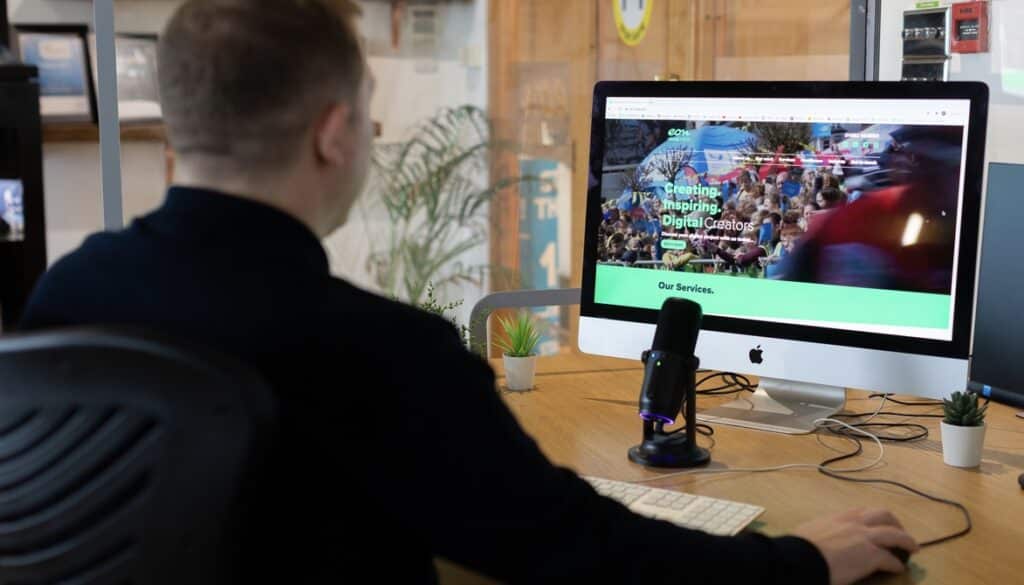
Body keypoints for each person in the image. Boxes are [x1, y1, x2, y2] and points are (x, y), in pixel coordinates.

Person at [18, 1, 918, 583]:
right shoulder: (380, 352)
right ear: (333, 133)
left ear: (179, 127)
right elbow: (580, 551)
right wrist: (800, 559)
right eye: (368, 108)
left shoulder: (69, 291)